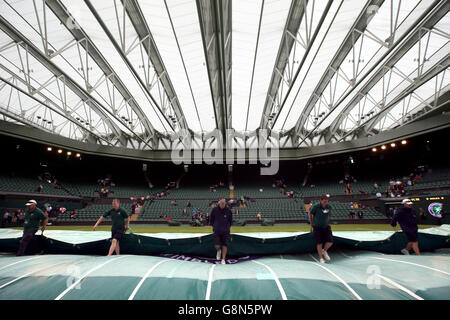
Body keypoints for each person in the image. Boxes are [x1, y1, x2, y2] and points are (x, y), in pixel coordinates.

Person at [309, 195, 333, 263]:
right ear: (321, 200)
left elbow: (329, 215)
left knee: (330, 241)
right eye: (324, 201)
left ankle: (324, 251)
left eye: (327, 201)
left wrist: (327, 221)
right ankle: (321, 258)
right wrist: (311, 223)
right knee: (319, 243)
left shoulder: (329, 207)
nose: (325, 202)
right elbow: (310, 214)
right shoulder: (316, 207)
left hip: (326, 226)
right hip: (317, 227)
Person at [210, 198, 232, 265]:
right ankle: (218, 251)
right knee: (217, 245)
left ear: (225, 203)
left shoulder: (228, 210)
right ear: (219, 203)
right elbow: (212, 219)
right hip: (217, 230)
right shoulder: (214, 210)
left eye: (223, 203)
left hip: (226, 231)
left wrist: (227, 228)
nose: (222, 204)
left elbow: (230, 221)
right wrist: (214, 227)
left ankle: (223, 259)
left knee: (225, 245)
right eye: (221, 203)